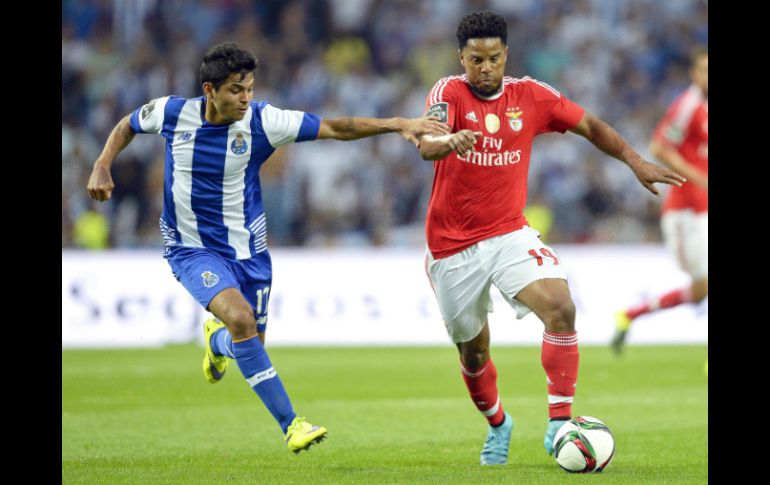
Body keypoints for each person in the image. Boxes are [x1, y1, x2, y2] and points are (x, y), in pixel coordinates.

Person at [86, 42, 449, 453]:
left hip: (250, 253)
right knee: (241, 321)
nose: (245, 99)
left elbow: (336, 127)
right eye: (236, 90)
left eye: (250, 89)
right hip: (191, 249)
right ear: (209, 90)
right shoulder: (172, 112)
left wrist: (399, 123)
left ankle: (216, 341)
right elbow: (128, 124)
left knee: (248, 343)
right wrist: (102, 163)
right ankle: (293, 424)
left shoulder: (263, 121)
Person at [415, 11, 686, 465]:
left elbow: (590, 126)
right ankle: (499, 424)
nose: (485, 68)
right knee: (475, 354)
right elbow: (425, 143)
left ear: (507, 55)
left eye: (494, 58)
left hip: (508, 232)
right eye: (476, 59)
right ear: (461, 57)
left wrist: (635, 161)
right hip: (452, 246)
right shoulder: (448, 92)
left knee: (561, 307)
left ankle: (560, 423)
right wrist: (449, 141)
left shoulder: (531, 95)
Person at [611, 47, 708, 355]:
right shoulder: (688, 105)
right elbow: (659, 147)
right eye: (704, 70)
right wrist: (698, 177)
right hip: (685, 213)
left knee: (700, 291)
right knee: (701, 287)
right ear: (694, 74)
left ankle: (630, 315)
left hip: (704, 209)